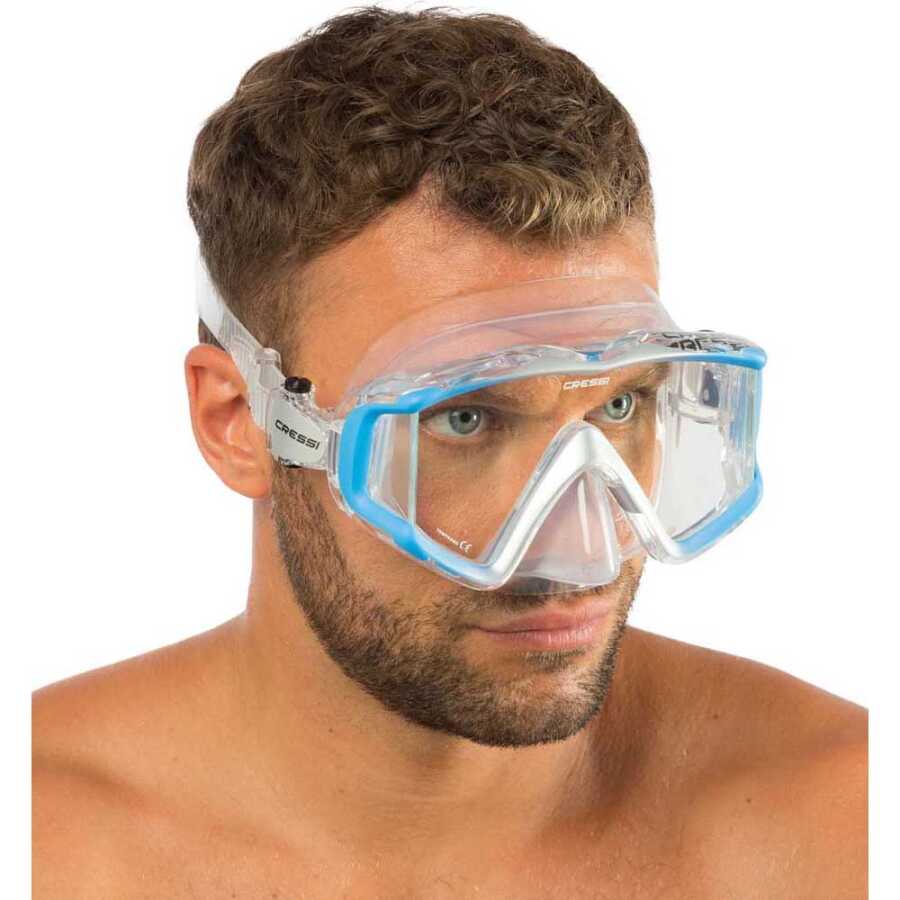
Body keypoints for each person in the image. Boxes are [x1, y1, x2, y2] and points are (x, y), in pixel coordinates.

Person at [32, 7, 867, 897]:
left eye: (621, 404)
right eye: (464, 419)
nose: (581, 553)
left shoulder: (839, 816)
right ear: (239, 420)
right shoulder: (45, 842)